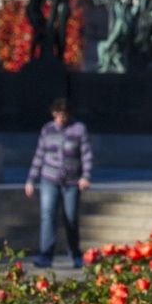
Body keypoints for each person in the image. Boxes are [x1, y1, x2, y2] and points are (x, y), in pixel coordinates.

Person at [25, 97, 94, 267]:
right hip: (49, 178)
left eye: (63, 114)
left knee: (70, 217)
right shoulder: (47, 129)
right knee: (48, 215)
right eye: (57, 114)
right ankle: (46, 254)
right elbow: (39, 155)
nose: (60, 118)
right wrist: (31, 180)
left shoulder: (79, 129)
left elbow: (86, 155)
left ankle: (75, 253)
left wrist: (86, 176)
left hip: (71, 181)